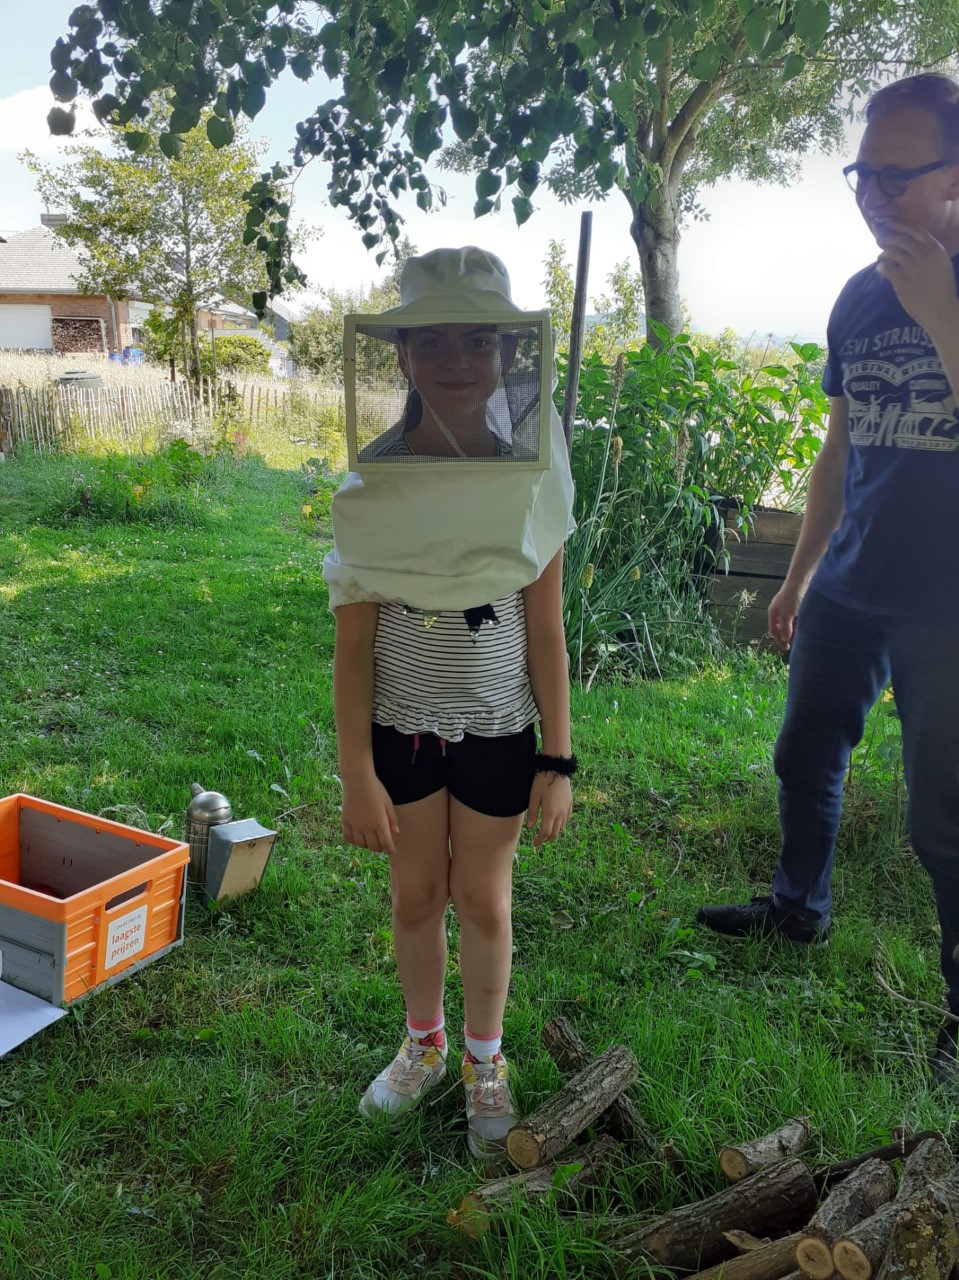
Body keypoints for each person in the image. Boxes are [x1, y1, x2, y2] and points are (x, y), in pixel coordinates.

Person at [696, 73, 959, 1085]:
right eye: (862, 175)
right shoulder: (855, 296)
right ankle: (795, 908)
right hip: (851, 580)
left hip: (946, 603)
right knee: (803, 756)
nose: (874, 196)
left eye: (900, 174)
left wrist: (938, 308)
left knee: (942, 817)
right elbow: (836, 451)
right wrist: (798, 574)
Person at [324, 247, 577, 1158]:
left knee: (482, 897)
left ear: (508, 352)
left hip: (499, 731)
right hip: (402, 733)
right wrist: (356, 773)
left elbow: (544, 630)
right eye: (432, 342)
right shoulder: (374, 487)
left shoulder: (532, 477)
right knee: (416, 894)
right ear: (401, 357)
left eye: (478, 340)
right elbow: (354, 650)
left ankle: (483, 1057)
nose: (457, 361)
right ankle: (424, 1044)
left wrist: (557, 759)